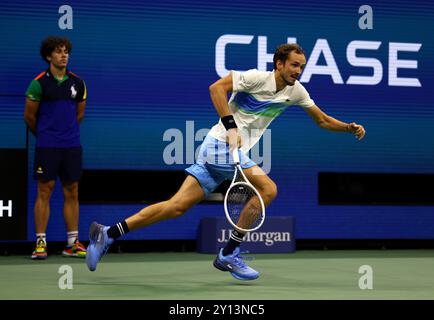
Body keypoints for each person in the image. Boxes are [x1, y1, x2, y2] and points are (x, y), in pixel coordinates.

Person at [86, 44, 365, 280]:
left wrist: (348, 127)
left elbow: (322, 120)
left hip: (223, 154)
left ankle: (107, 233)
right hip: (219, 145)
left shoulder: (296, 92)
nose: (298, 71)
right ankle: (229, 252)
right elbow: (216, 88)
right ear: (279, 64)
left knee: (175, 206)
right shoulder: (256, 78)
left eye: (301, 67)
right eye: (293, 65)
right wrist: (231, 126)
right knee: (268, 189)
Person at [24, 36, 87, 260]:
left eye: (66, 51)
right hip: (47, 146)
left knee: (72, 192)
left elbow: (78, 114)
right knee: (44, 192)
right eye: (59, 52)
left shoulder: (78, 83)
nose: (64, 55)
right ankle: (40, 242)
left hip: (71, 145)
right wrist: (46, 135)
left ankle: (72, 243)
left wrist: (65, 133)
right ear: (49, 56)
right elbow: (30, 117)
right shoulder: (39, 83)